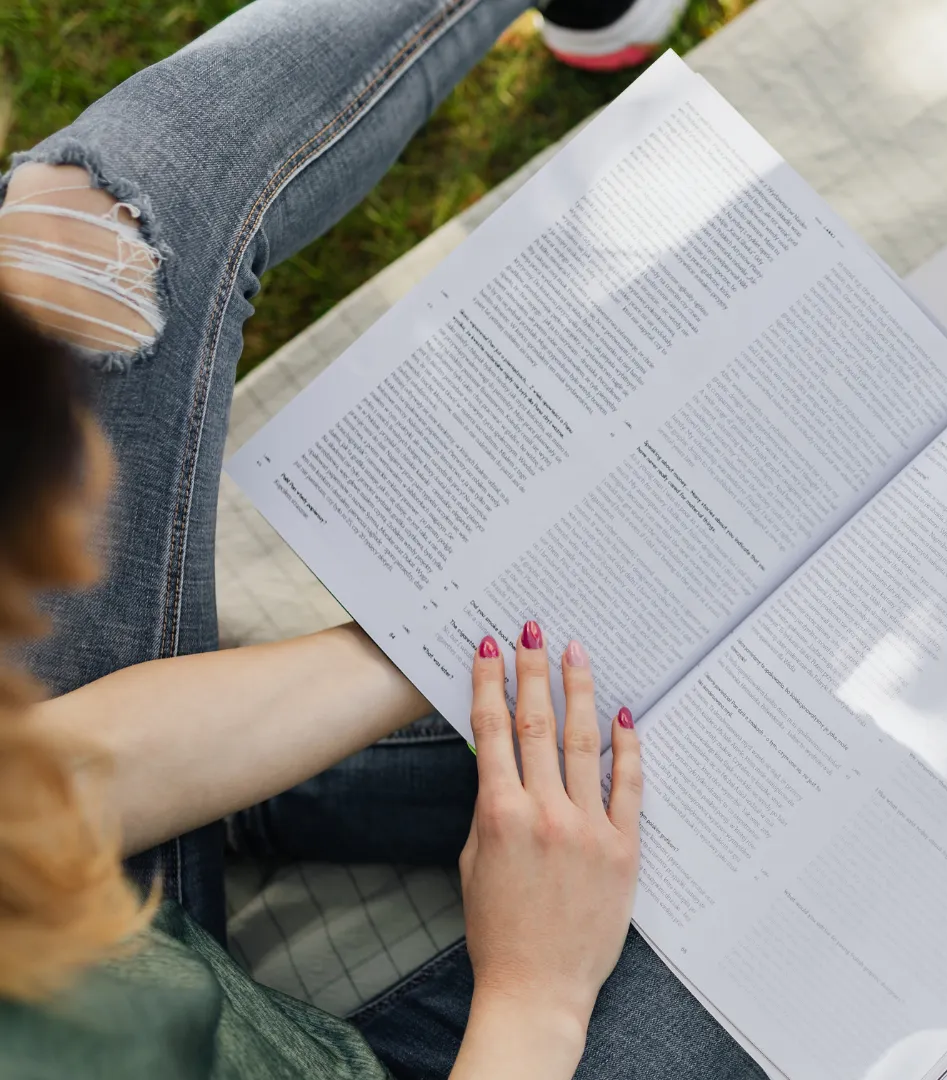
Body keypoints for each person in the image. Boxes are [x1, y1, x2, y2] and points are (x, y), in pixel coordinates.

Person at [0, 1, 764, 1077]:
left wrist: (430, 634)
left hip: (73, 929)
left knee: (80, 244)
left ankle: (267, 797)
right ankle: (295, 798)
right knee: (793, 835)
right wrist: (536, 998)